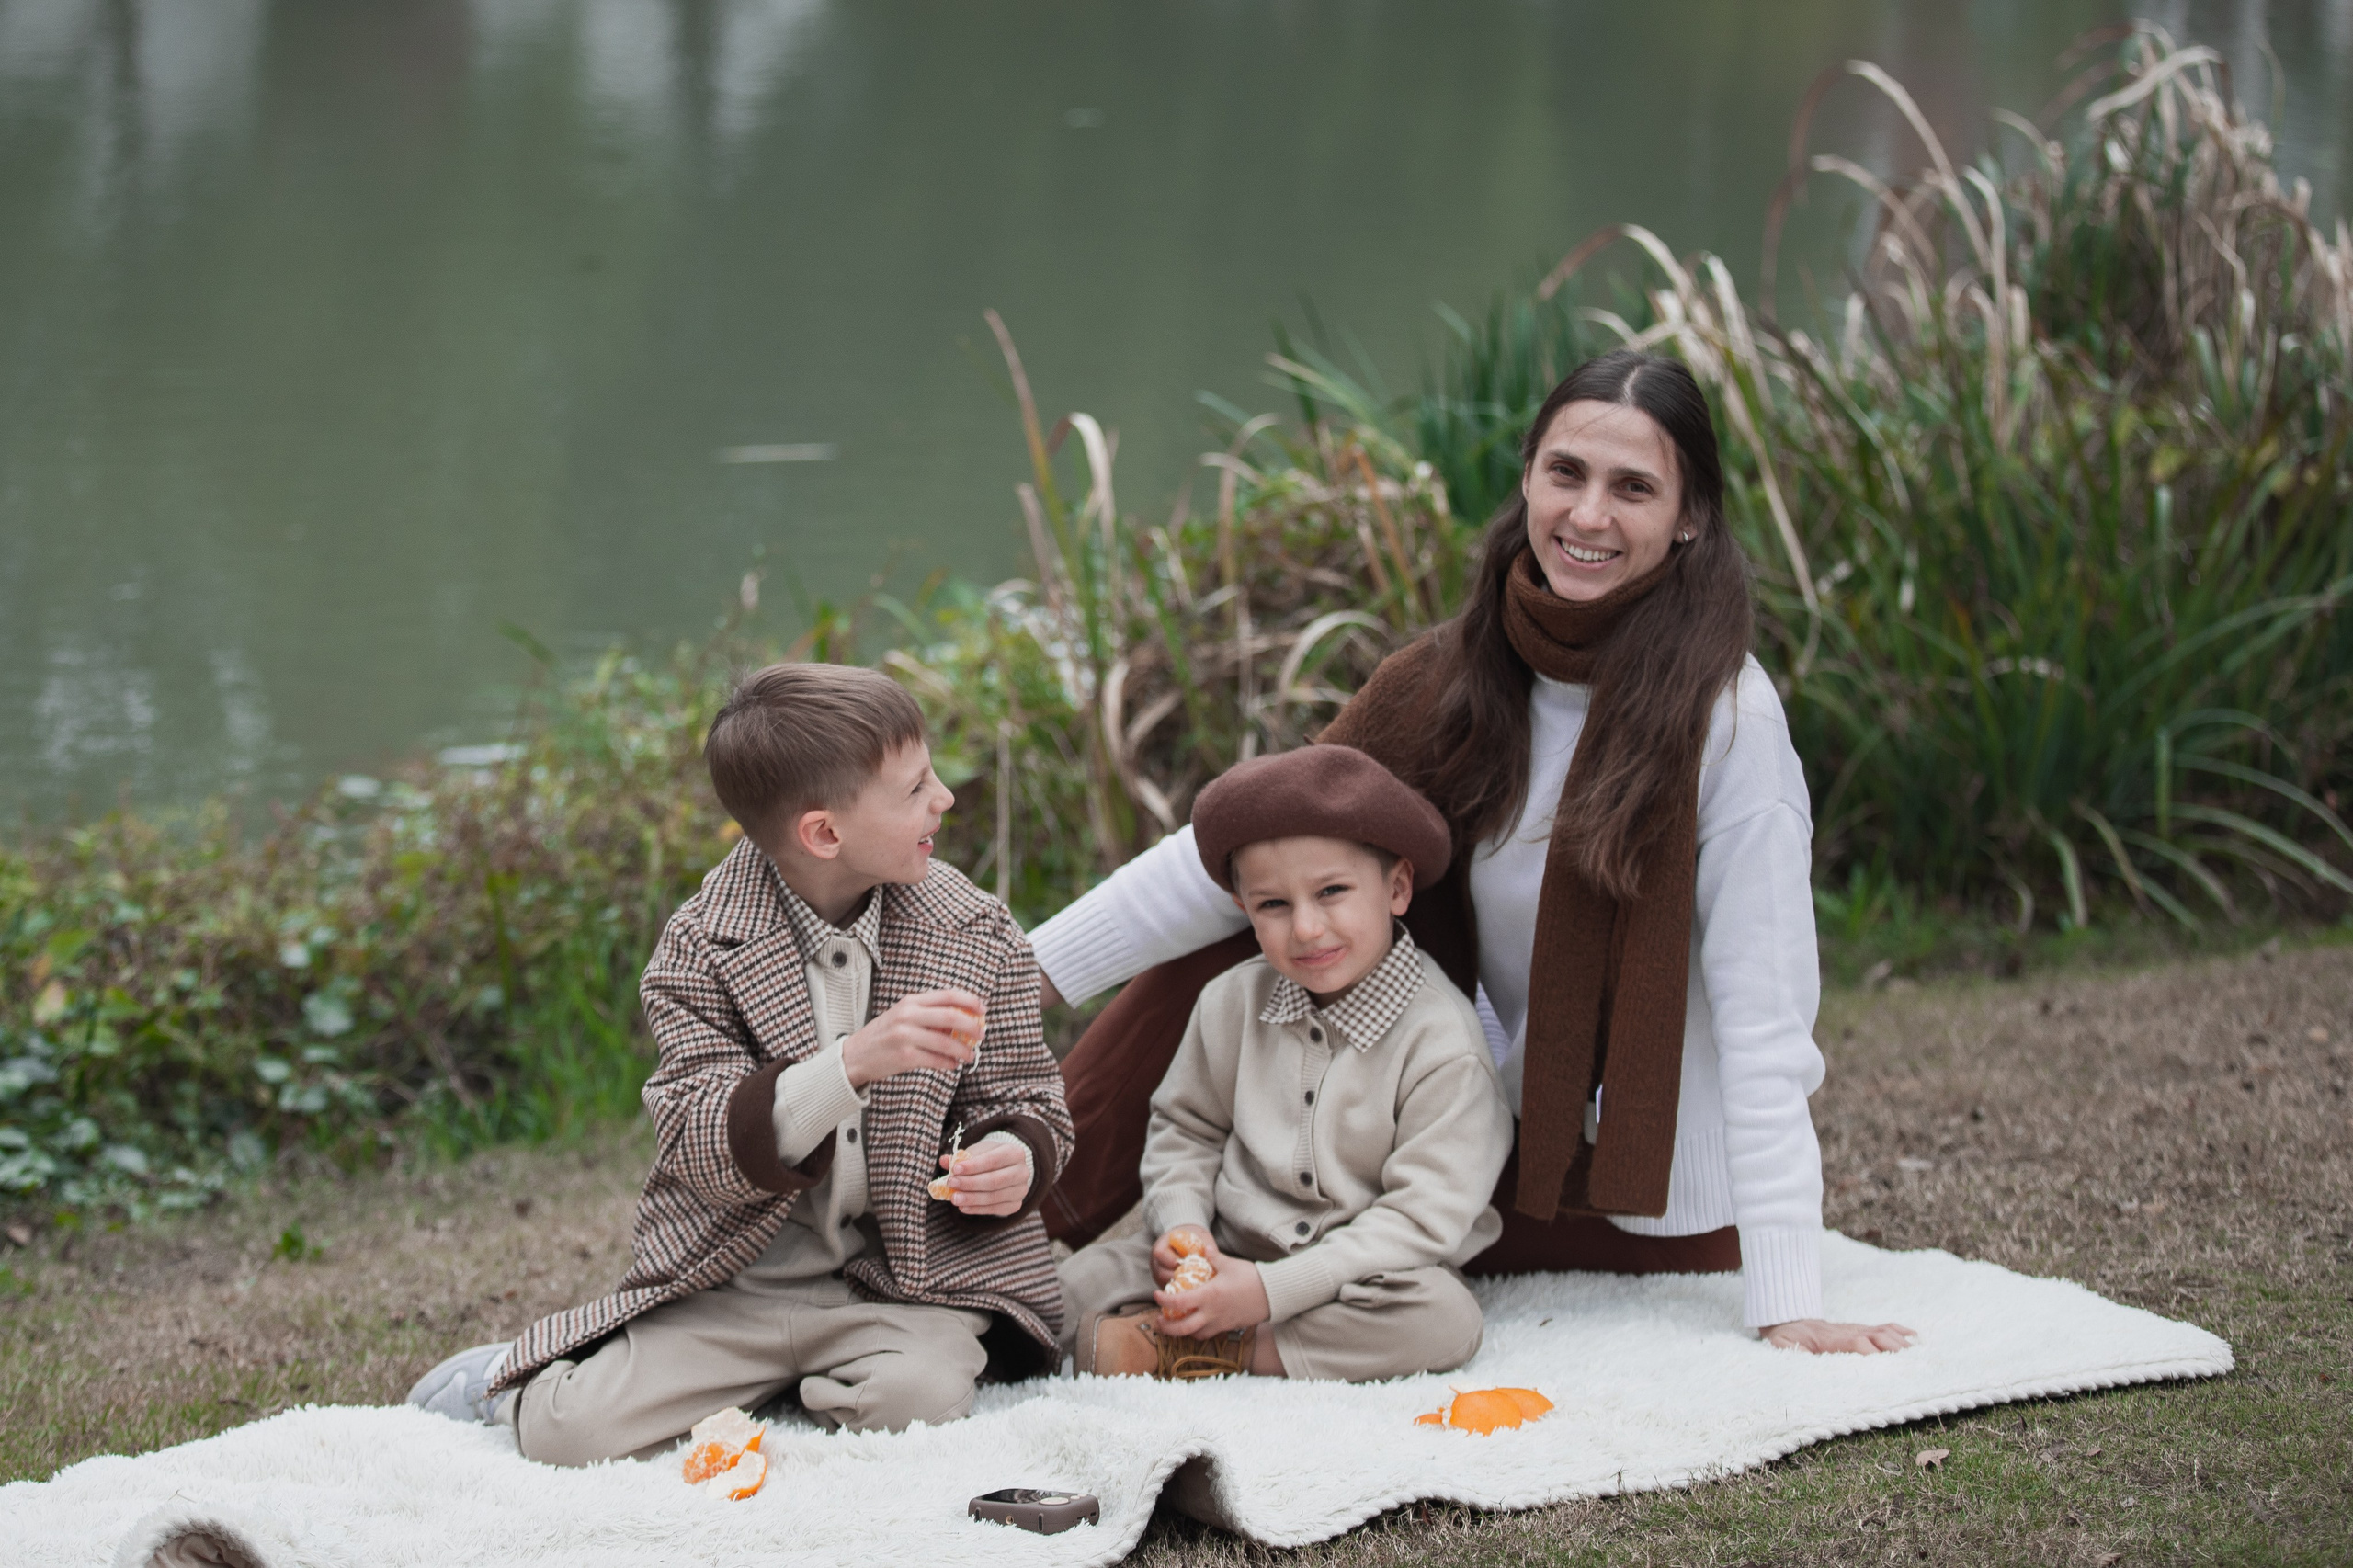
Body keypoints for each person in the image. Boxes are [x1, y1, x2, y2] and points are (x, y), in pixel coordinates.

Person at [1031, 350, 1915, 1356]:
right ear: (1529, 477)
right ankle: (982, 1246)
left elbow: (1765, 1024)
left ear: (1690, 517)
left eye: (1633, 488)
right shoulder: (1456, 675)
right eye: (1566, 474)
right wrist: (1006, 978)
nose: (1588, 516)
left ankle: (1193, 1320)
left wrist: (1789, 1296)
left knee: (1290, 1019)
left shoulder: (1727, 719)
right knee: (1261, 916)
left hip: (1639, 1191)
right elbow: (1235, 848)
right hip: (1488, 1124)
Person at [404, 662, 1074, 1460]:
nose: (945, 799)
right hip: (740, 1284)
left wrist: (1014, 1154)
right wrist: (852, 1062)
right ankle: (510, 1378)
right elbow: (698, 1139)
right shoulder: (700, 950)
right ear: (824, 833)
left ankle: (803, 1383)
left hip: (902, 1281)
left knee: (920, 1400)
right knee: (567, 1435)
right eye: (915, 788)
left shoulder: (973, 929)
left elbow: (1029, 1094)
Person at [1061, 745, 1513, 1381]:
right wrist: (1184, 1229)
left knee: (1442, 1320)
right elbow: (1185, 1129)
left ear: (1398, 887)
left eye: (1332, 892)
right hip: (1226, 1245)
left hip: (1359, 1273)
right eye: (1273, 905)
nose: (1306, 928)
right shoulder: (1230, 1003)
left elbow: (1420, 1218)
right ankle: (1137, 1322)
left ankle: (1219, 1347)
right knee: (1062, 1291)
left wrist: (1269, 1294)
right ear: (1246, 909)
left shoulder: (1444, 1044)